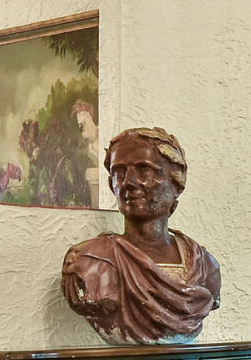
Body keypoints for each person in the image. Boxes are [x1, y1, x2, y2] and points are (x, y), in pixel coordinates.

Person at [61, 127, 222, 342]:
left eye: (144, 170)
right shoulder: (89, 261)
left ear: (176, 183)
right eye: (119, 172)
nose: (129, 182)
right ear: (112, 185)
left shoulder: (204, 266)